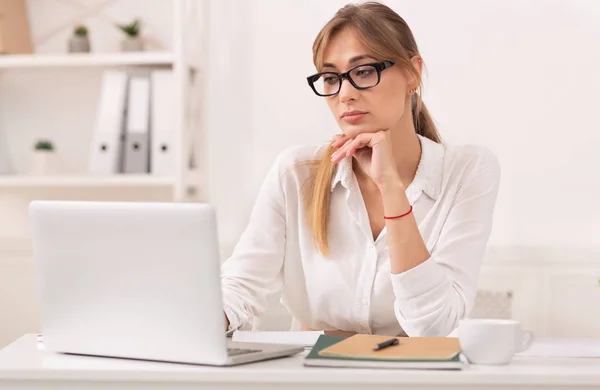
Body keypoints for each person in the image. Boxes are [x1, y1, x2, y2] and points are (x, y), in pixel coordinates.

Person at [221, 2, 500, 337]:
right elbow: (239, 287)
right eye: (330, 78)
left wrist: (392, 190)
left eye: (364, 71)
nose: (345, 94)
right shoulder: (296, 173)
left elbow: (433, 326)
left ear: (412, 74)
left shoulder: (466, 171)